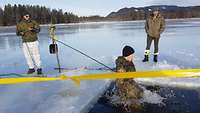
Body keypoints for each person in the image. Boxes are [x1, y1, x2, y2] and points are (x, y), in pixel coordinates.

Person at [115, 45, 144, 112]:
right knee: (134, 101)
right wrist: (121, 71)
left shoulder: (129, 61)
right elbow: (120, 70)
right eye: (131, 55)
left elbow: (132, 71)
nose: (133, 56)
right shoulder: (120, 62)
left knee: (141, 92)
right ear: (127, 55)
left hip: (130, 81)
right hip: (124, 84)